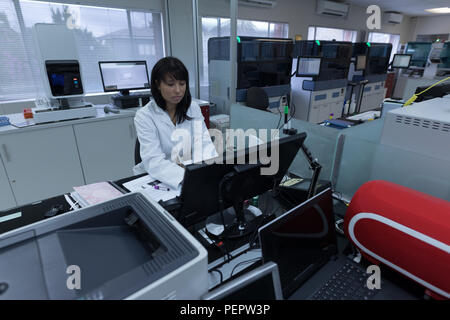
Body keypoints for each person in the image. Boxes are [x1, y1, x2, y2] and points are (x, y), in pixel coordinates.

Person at [133, 57, 217, 189]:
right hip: (158, 179)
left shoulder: (193, 108)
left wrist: (201, 172)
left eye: (182, 84)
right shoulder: (144, 116)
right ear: (157, 84)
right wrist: (187, 176)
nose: (178, 90)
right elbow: (154, 160)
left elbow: (204, 145)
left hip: (192, 175)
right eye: (171, 84)